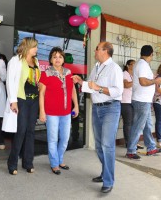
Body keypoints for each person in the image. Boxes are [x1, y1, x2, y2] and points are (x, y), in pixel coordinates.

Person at [72, 42, 123, 193]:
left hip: (111, 108)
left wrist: (98, 88)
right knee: (100, 145)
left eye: (97, 48)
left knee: (107, 145)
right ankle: (105, 172)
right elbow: (90, 86)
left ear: (105, 51)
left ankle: (108, 180)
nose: (94, 50)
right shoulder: (96, 67)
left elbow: (118, 91)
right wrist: (81, 82)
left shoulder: (115, 69)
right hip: (96, 109)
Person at [2, 37, 40, 175]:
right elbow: (10, 81)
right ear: (28, 47)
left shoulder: (35, 61)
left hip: (34, 100)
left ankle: (28, 163)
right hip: (21, 99)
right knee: (21, 131)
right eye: (35, 46)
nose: (37, 49)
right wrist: (13, 101)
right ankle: (12, 163)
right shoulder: (16, 60)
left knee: (30, 131)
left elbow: (36, 81)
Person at [39, 47, 79, 175]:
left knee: (65, 138)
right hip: (51, 112)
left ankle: (60, 159)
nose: (57, 59)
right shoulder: (46, 73)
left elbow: (72, 90)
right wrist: (42, 111)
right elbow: (41, 94)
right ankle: (54, 163)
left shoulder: (68, 72)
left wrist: (76, 106)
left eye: (60, 57)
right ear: (50, 59)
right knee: (53, 139)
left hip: (66, 112)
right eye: (55, 56)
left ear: (63, 59)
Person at [126, 45, 161, 160]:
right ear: (151, 54)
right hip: (141, 100)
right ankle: (131, 150)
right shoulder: (142, 64)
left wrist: (153, 80)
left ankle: (151, 147)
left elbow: (144, 80)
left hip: (144, 100)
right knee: (138, 126)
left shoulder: (142, 64)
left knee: (147, 125)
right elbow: (142, 82)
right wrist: (155, 81)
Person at [120, 59, 144, 150]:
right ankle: (128, 143)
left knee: (134, 123)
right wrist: (137, 81)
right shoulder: (124, 74)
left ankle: (134, 142)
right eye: (133, 64)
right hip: (126, 101)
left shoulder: (135, 75)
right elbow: (126, 85)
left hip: (134, 100)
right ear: (128, 65)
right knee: (128, 123)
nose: (135, 66)